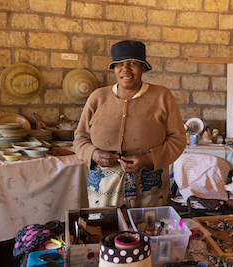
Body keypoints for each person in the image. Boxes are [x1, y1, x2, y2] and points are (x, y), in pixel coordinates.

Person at [73, 40, 186, 209]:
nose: (125, 69)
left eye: (133, 63)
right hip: (105, 189)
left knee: (148, 230)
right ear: (114, 69)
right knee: (106, 231)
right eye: (119, 64)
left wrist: (148, 159)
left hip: (150, 187)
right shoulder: (97, 97)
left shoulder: (162, 96)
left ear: (143, 68)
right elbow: (80, 139)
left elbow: (178, 140)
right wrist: (93, 154)